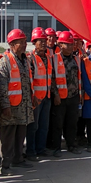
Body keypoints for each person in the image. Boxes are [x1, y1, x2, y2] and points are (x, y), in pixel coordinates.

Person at [0, 29, 34, 174]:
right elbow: (2, 86)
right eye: (20, 42)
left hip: (23, 107)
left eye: (25, 42)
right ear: (11, 44)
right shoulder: (4, 61)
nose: (24, 45)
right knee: (8, 137)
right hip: (10, 108)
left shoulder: (25, 60)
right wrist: (5, 106)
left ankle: (18, 159)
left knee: (20, 135)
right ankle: (5, 165)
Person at [48, 31, 82, 155]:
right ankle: (56, 147)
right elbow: (51, 78)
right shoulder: (54, 59)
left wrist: (80, 95)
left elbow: (79, 78)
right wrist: (55, 94)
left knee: (72, 123)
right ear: (60, 45)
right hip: (60, 98)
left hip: (73, 96)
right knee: (58, 124)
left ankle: (71, 145)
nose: (70, 47)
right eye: (67, 44)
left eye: (71, 44)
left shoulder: (76, 59)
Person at [26, 27, 53, 160]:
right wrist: (33, 96)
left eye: (44, 40)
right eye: (39, 41)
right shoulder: (30, 58)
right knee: (33, 127)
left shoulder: (49, 58)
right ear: (34, 42)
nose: (43, 43)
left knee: (43, 126)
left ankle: (40, 149)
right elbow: (29, 80)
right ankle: (31, 151)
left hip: (46, 98)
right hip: (36, 99)